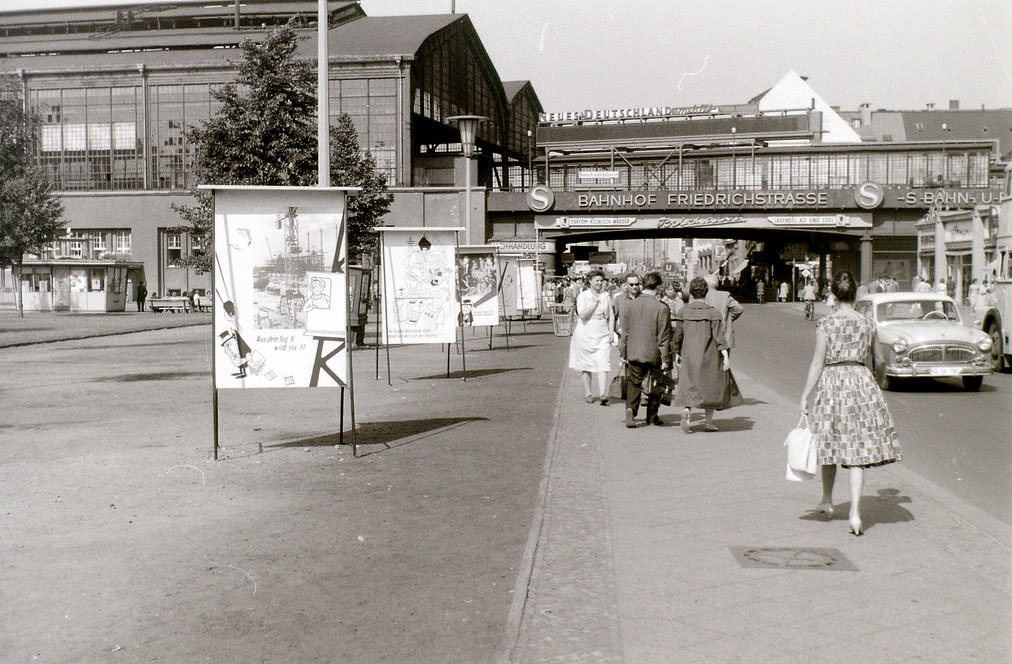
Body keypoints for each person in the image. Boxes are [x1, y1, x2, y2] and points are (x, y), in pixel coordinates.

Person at [799, 271, 901, 536]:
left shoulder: (826, 324)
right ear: (856, 294)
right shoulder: (868, 323)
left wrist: (805, 395)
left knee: (830, 443)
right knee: (857, 451)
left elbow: (817, 362)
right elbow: (878, 360)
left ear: (833, 294)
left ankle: (827, 500)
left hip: (832, 383)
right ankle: (855, 513)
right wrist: (875, 381)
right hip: (860, 383)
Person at [673, 277, 730, 433]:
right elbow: (719, 338)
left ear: (691, 293)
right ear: (706, 292)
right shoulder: (713, 313)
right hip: (709, 356)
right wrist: (725, 356)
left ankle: (687, 412)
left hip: (689, 355)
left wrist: (676, 353)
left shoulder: (683, 312)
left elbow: (678, 336)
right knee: (709, 385)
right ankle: (708, 422)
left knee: (689, 384)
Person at [619, 271, 671, 428]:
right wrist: (666, 359)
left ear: (643, 285)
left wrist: (623, 353)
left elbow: (625, 332)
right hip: (653, 352)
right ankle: (652, 416)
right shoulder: (662, 308)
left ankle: (630, 411)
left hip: (634, 351)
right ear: (658, 287)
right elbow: (664, 337)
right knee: (656, 383)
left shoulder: (630, 305)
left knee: (634, 382)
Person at [568, 270, 614, 405]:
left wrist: (611, 332)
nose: (600, 283)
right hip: (586, 332)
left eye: (601, 281)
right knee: (586, 363)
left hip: (602, 331)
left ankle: (603, 394)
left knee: (603, 362)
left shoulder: (606, 296)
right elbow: (582, 314)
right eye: (597, 281)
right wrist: (594, 303)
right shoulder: (583, 296)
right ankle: (588, 392)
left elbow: (611, 315)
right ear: (590, 282)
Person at [703, 273, 744, 352]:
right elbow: (739, 308)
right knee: (723, 361)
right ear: (717, 284)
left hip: (705, 335)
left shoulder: (701, 296)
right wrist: (728, 318)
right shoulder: (725, 295)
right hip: (723, 335)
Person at [611, 272, 641, 338]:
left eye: (637, 284)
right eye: (631, 285)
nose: (634, 287)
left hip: (640, 338)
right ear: (626, 285)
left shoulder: (644, 299)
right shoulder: (619, 299)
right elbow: (613, 317)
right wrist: (618, 329)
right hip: (624, 338)